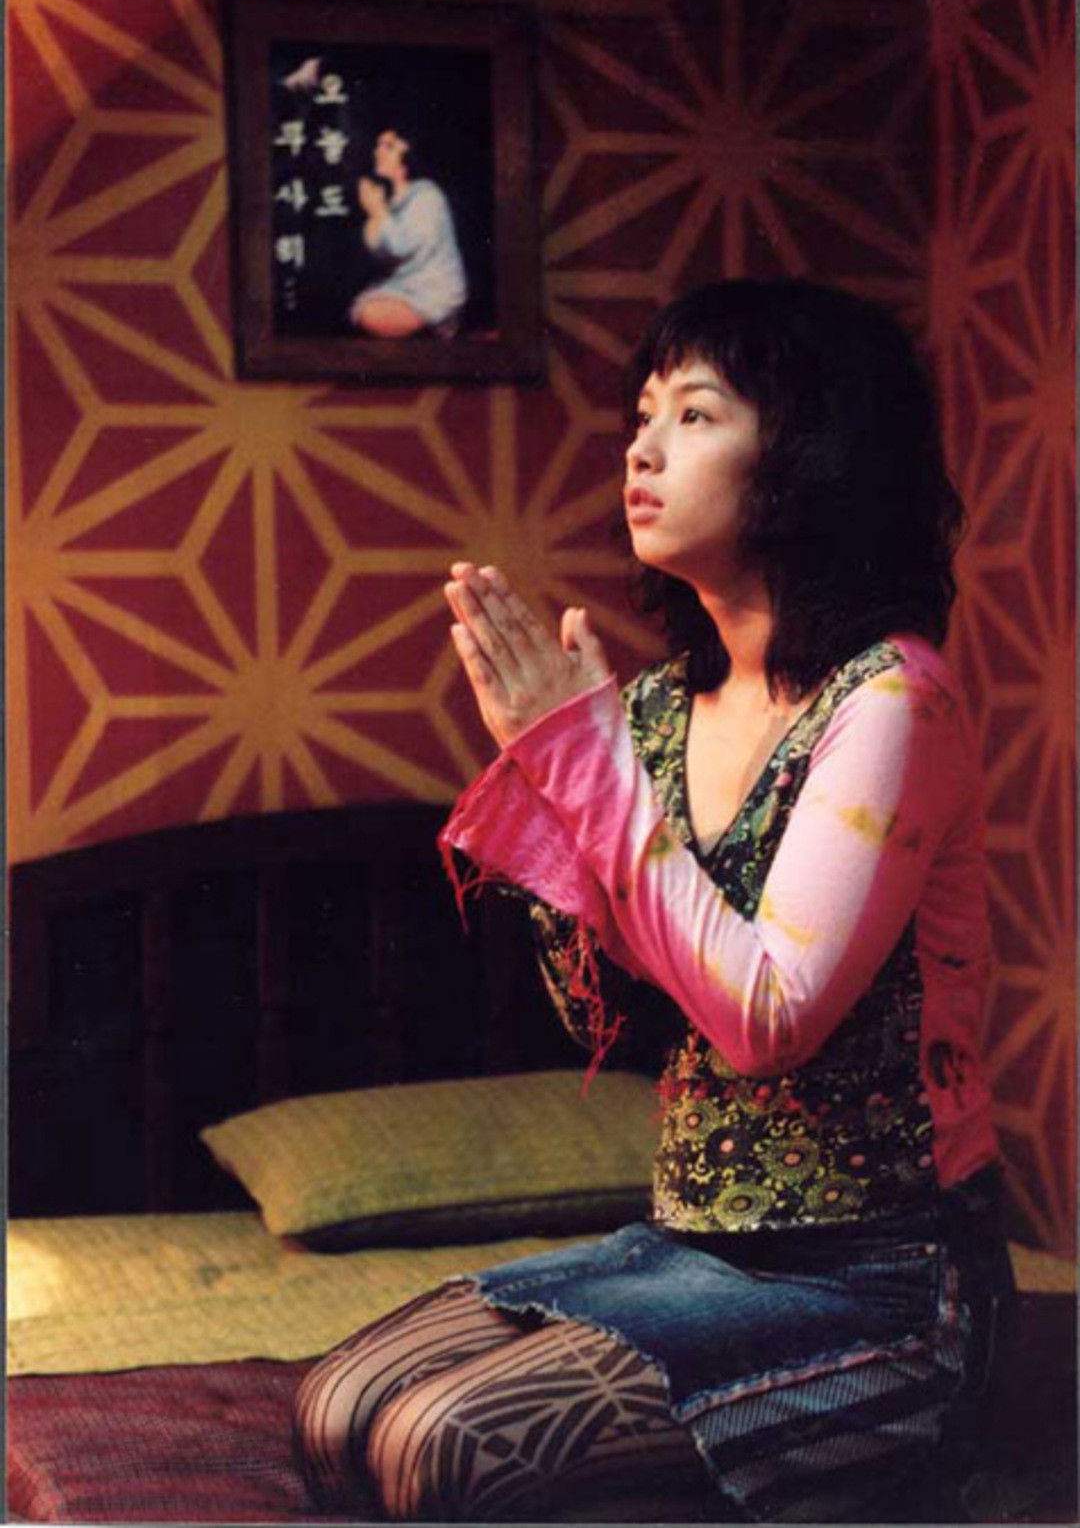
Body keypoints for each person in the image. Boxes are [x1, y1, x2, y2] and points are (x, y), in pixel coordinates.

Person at [294, 280, 1012, 1523]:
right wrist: (553, 770)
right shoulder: (659, 712)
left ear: (810, 453)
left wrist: (587, 771)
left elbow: (768, 1019)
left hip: (880, 1277)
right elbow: (604, 1017)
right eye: (641, 416)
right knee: (338, 1407)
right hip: (689, 1248)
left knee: (441, 1444)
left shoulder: (892, 699)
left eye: (694, 415)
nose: (640, 448)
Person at [349, 127, 467, 339]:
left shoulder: (427, 195)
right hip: (404, 285)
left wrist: (378, 211)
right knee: (360, 306)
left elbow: (401, 246)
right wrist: (376, 215)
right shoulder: (394, 201)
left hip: (433, 291)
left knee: (370, 314)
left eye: (388, 146)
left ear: (408, 154)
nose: (378, 152)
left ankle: (442, 325)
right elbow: (381, 255)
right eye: (378, 145)